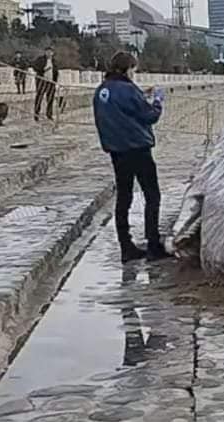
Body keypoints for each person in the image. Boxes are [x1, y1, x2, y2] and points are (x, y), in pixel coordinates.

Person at [93, 51, 171, 263]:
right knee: (152, 195)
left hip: (117, 151)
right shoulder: (128, 90)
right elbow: (150, 116)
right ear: (128, 69)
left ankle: (125, 246)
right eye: (134, 70)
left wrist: (140, 95)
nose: (134, 74)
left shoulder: (102, 90)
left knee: (124, 197)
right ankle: (153, 245)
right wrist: (157, 101)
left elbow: (120, 109)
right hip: (137, 148)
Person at [32, 46, 59, 121]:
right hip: (42, 81)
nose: (49, 53)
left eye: (50, 52)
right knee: (39, 98)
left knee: (50, 99)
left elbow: (56, 71)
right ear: (45, 52)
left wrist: (55, 82)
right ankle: (36, 114)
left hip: (51, 82)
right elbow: (34, 66)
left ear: (53, 53)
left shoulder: (54, 61)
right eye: (47, 51)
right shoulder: (40, 59)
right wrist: (42, 69)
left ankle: (49, 114)